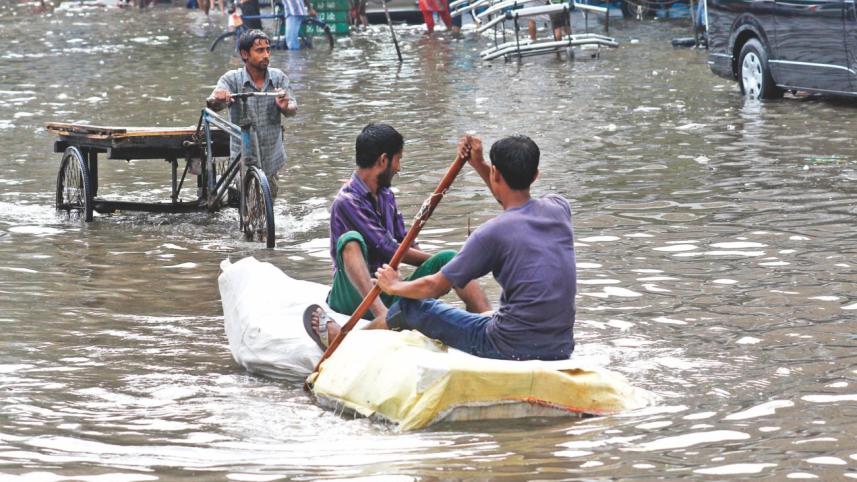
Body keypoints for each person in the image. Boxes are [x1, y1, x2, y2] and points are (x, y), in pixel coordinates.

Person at [371, 134, 577, 361]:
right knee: (489, 315)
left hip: (507, 346)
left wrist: (394, 285)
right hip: (561, 345)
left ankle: (353, 346)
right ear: (536, 176)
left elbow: (435, 286)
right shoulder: (559, 208)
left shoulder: (491, 233)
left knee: (411, 307)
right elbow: (515, 202)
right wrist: (479, 164)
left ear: (495, 173)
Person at [304, 124, 490, 349]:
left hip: (387, 288)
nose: (399, 168)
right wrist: (443, 260)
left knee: (450, 258)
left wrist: (448, 263)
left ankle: (486, 323)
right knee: (351, 241)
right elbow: (389, 249)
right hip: (352, 296)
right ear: (383, 160)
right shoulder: (347, 201)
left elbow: (406, 242)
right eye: (397, 160)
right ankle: (383, 315)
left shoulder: (386, 196)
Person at [206, 30, 297, 197]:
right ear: (245, 54)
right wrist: (219, 97)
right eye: (260, 50)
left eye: (268, 49)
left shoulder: (278, 78)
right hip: (243, 154)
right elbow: (212, 103)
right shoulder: (232, 79)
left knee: (269, 200)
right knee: (246, 201)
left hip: (272, 155)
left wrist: (284, 106)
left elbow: (292, 109)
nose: (266, 55)